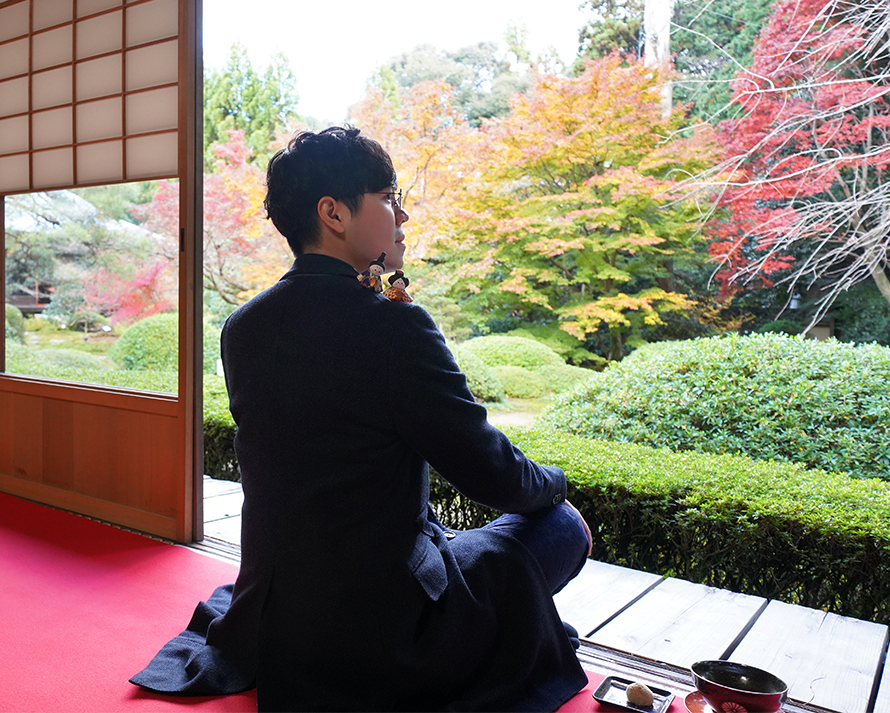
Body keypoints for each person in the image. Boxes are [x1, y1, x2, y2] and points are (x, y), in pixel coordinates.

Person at [131, 126, 592, 711]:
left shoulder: (243, 326)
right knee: (560, 526)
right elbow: (495, 474)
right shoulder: (394, 326)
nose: (403, 216)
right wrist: (556, 481)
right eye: (388, 197)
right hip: (380, 628)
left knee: (438, 535)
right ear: (334, 213)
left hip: (275, 612)